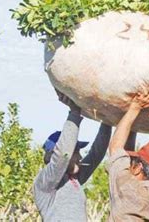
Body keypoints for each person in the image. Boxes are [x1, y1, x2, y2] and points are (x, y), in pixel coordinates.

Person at [33, 90, 112, 222]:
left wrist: (107, 121)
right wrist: (74, 113)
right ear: (53, 152)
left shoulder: (74, 179)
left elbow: (96, 154)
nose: (80, 157)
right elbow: (62, 156)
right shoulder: (45, 182)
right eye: (76, 152)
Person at [107, 86, 149, 221]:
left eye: (132, 165)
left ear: (138, 168)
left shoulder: (128, 190)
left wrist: (135, 107)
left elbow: (115, 148)